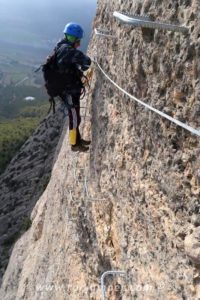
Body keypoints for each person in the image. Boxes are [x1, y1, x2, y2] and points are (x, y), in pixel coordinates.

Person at [55, 23, 91, 152]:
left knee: (75, 117)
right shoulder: (68, 51)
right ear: (74, 39)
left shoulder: (61, 47)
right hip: (68, 91)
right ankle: (74, 144)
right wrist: (83, 67)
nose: (79, 44)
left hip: (68, 90)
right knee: (74, 118)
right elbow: (86, 61)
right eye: (78, 40)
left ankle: (77, 139)